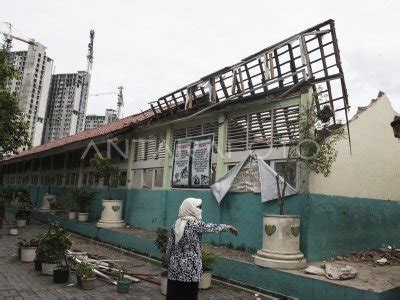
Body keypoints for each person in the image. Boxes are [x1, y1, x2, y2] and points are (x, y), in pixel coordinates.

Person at [166, 197, 238, 300]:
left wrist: (169, 262)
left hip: (175, 268)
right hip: (190, 269)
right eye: (198, 207)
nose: (200, 209)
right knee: (189, 295)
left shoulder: (176, 224)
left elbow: (170, 246)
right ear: (190, 208)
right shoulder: (195, 224)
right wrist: (227, 226)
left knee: (174, 295)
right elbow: (211, 227)